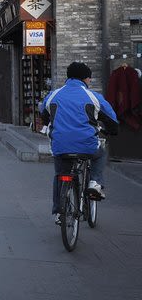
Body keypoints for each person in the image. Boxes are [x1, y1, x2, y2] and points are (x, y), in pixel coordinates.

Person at [39, 61, 118, 225]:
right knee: (101, 152)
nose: (90, 81)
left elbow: (43, 113)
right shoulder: (93, 97)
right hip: (86, 145)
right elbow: (111, 119)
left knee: (60, 174)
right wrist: (111, 130)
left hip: (60, 145)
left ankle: (59, 212)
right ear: (85, 79)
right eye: (89, 78)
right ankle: (95, 182)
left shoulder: (54, 95)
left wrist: (50, 121)